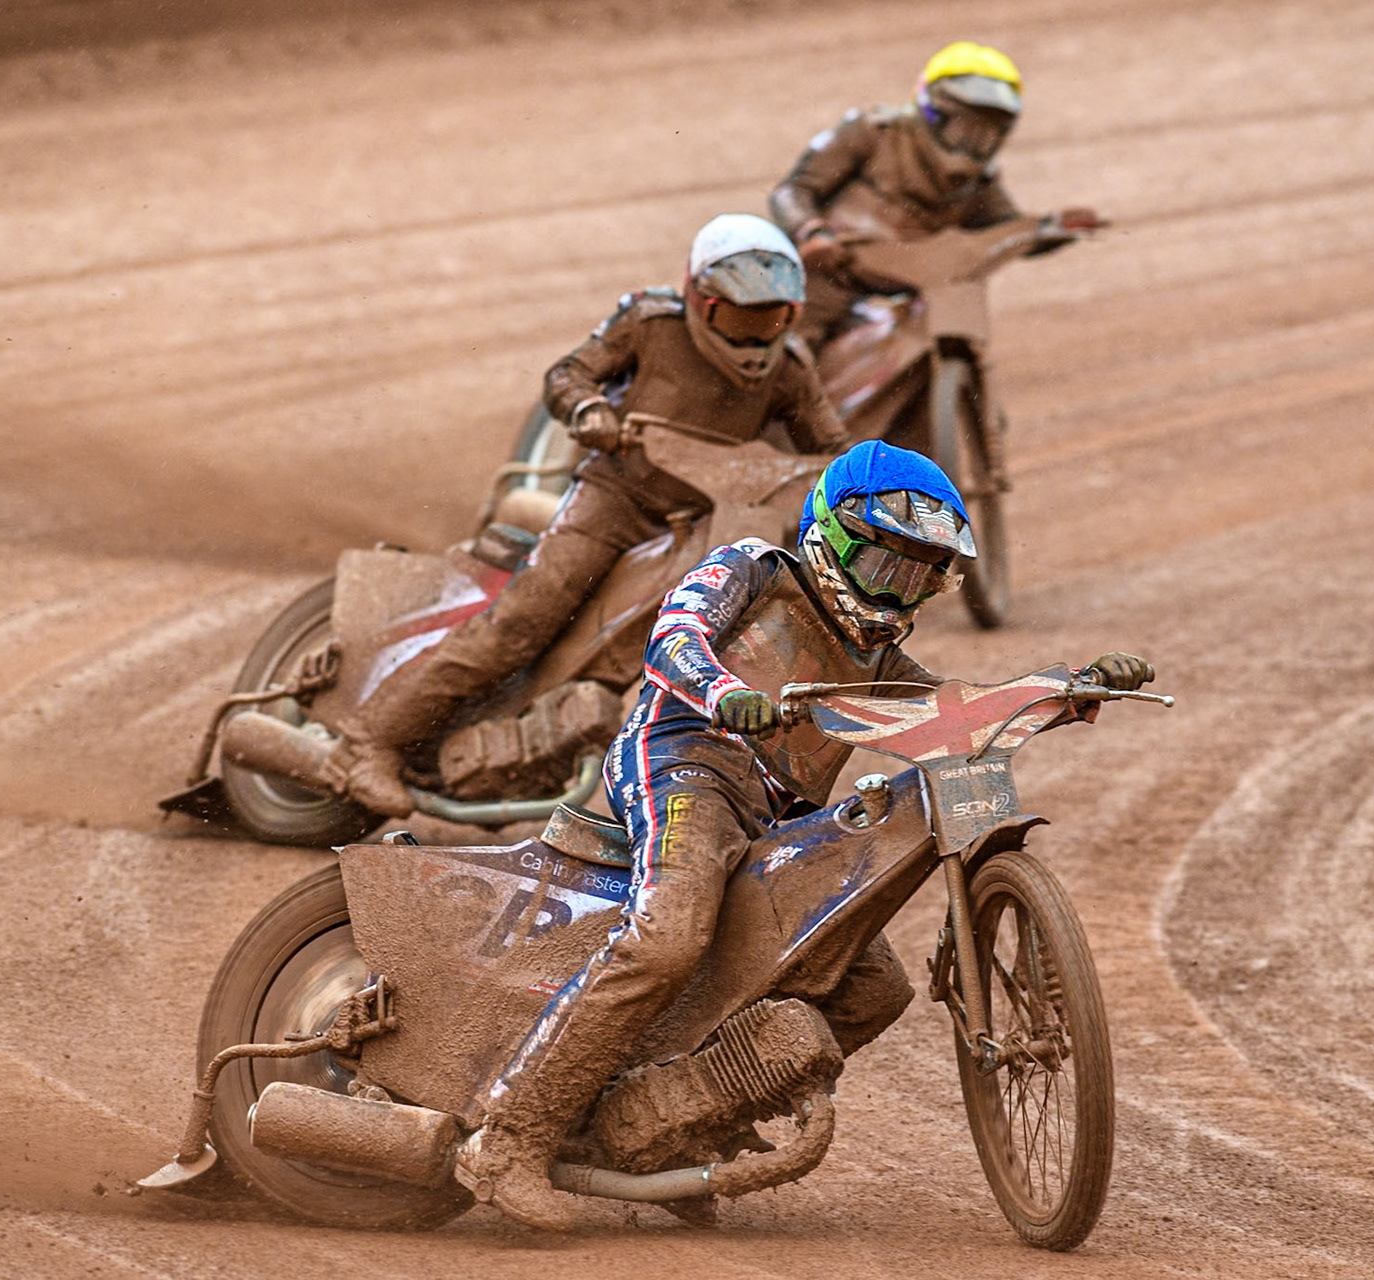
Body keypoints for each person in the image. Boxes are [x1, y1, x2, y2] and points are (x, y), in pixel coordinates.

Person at [452, 440, 1155, 1230]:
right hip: (685, 759)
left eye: (922, 575)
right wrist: (724, 693)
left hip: (775, 818)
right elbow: (673, 638)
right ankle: (510, 1137)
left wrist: (1068, 685)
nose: (901, 590)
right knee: (670, 934)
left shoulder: (881, 658)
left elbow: (961, 713)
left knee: (871, 988)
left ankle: (675, 1126)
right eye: (890, 566)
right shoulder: (754, 568)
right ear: (835, 535)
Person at [332, 213, 848, 817]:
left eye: (773, 318)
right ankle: (369, 741)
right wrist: (588, 409)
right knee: (522, 621)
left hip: (705, 526)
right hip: (615, 502)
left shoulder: (791, 370)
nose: (756, 337)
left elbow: (834, 451)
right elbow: (568, 373)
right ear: (698, 300)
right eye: (740, 317)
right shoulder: (649, 324)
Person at [768, 40, 1103, 347]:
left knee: (957, 338)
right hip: (834, 274)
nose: (971, 141)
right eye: (962, 125)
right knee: (792, 355)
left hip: (913, 297)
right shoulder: (874, 132)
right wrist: (812, 232)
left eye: (985, 132)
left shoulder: (979, 182)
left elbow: (1004, 229)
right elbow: (793, 190)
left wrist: (1050, 229)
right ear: (931, 108)